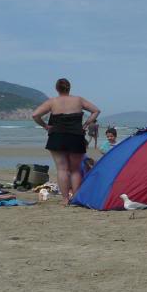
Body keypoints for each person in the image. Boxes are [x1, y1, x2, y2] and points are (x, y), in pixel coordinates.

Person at [30, 78, 100, 206]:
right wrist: (86, 124)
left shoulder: (52, 102)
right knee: (75, 170)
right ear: (69, 88)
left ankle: (65, 199)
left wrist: (45, 126)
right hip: (76, 136)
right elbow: (96, 111)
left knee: (62, 169)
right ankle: (76, 198)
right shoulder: (78, 100)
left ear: (57, 89)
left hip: (57, 136)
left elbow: (35, 115)